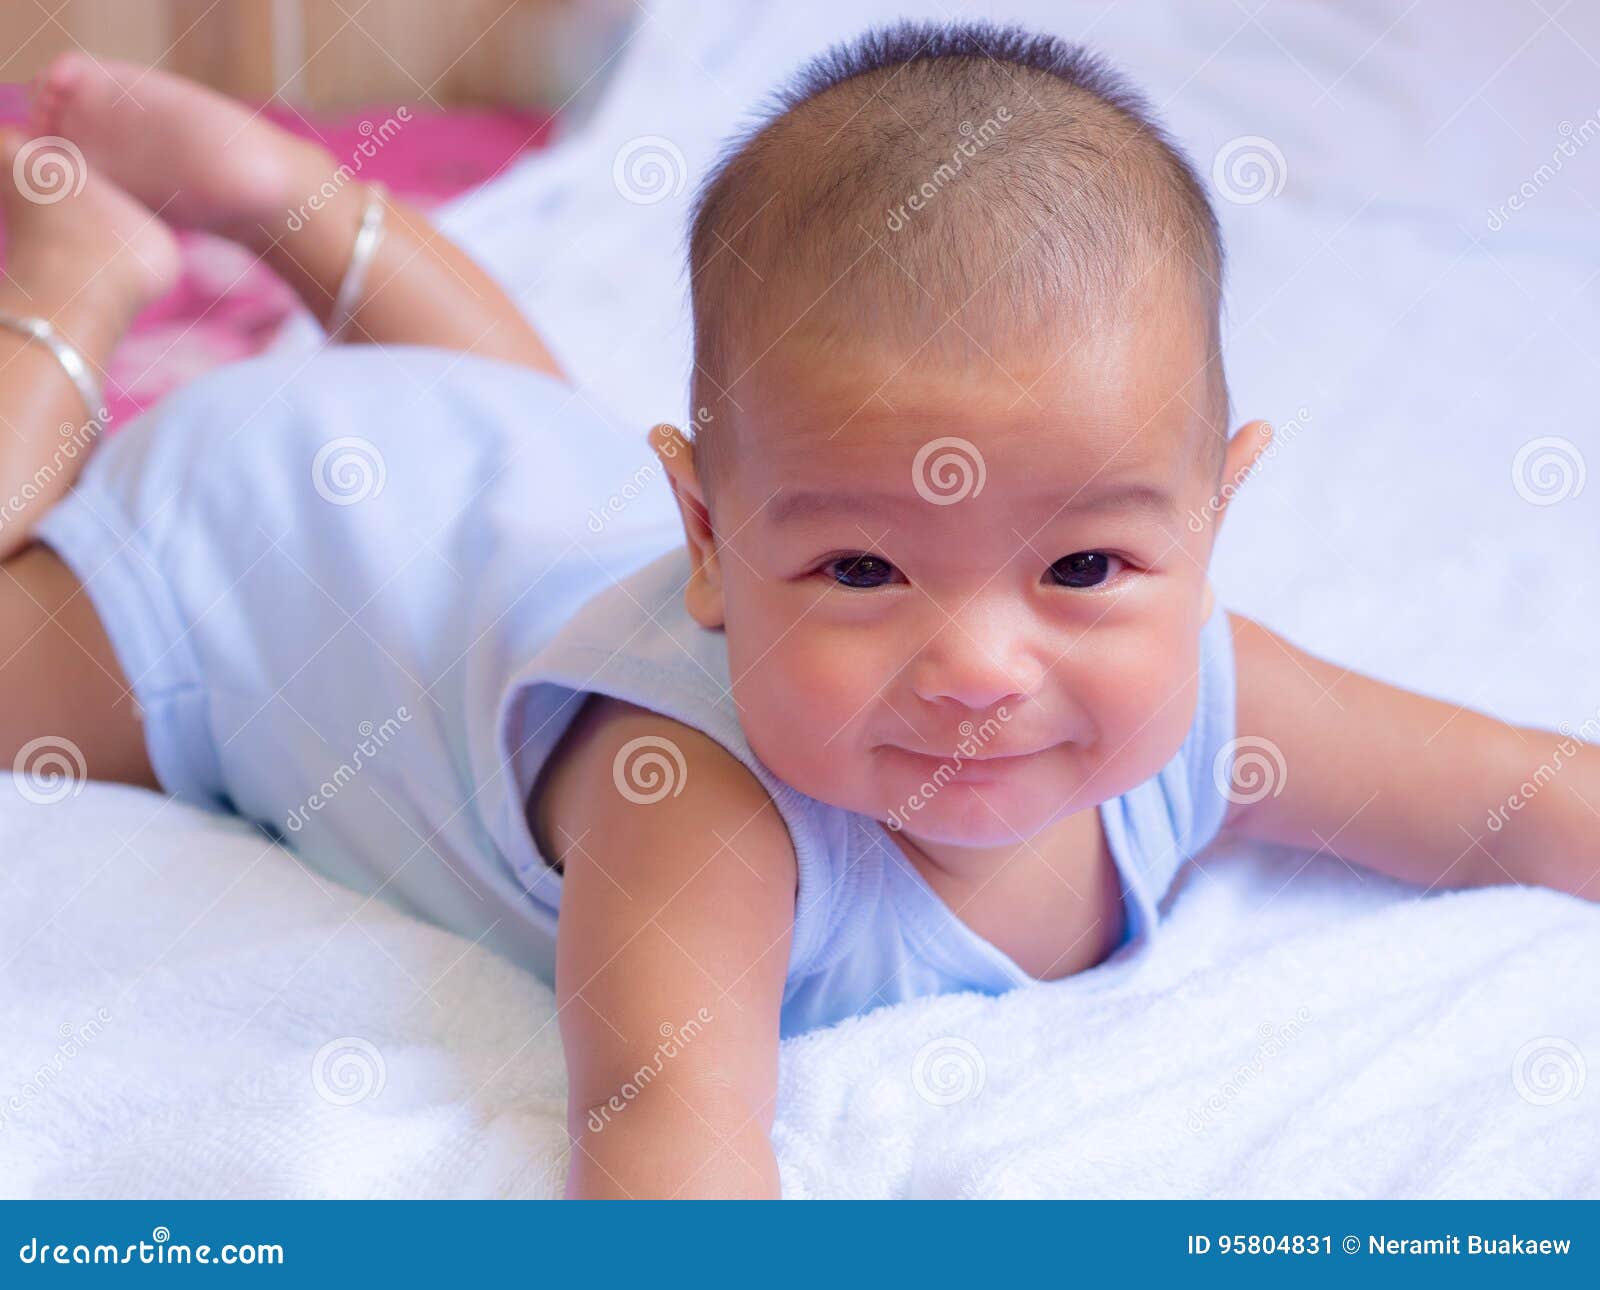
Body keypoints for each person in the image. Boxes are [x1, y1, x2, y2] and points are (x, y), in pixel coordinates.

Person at [2, 24, 1594, 1202]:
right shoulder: (694, 800)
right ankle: (74, 279)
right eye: (861, 570)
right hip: (240, 560)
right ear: (708, 538)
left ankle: (282, 191)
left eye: (1085, 569)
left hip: (485, 468)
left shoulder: (1219, 698)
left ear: (1213, 517)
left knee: (518, 422)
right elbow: (667, 1136)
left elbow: (1520, 797)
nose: (980, 665)